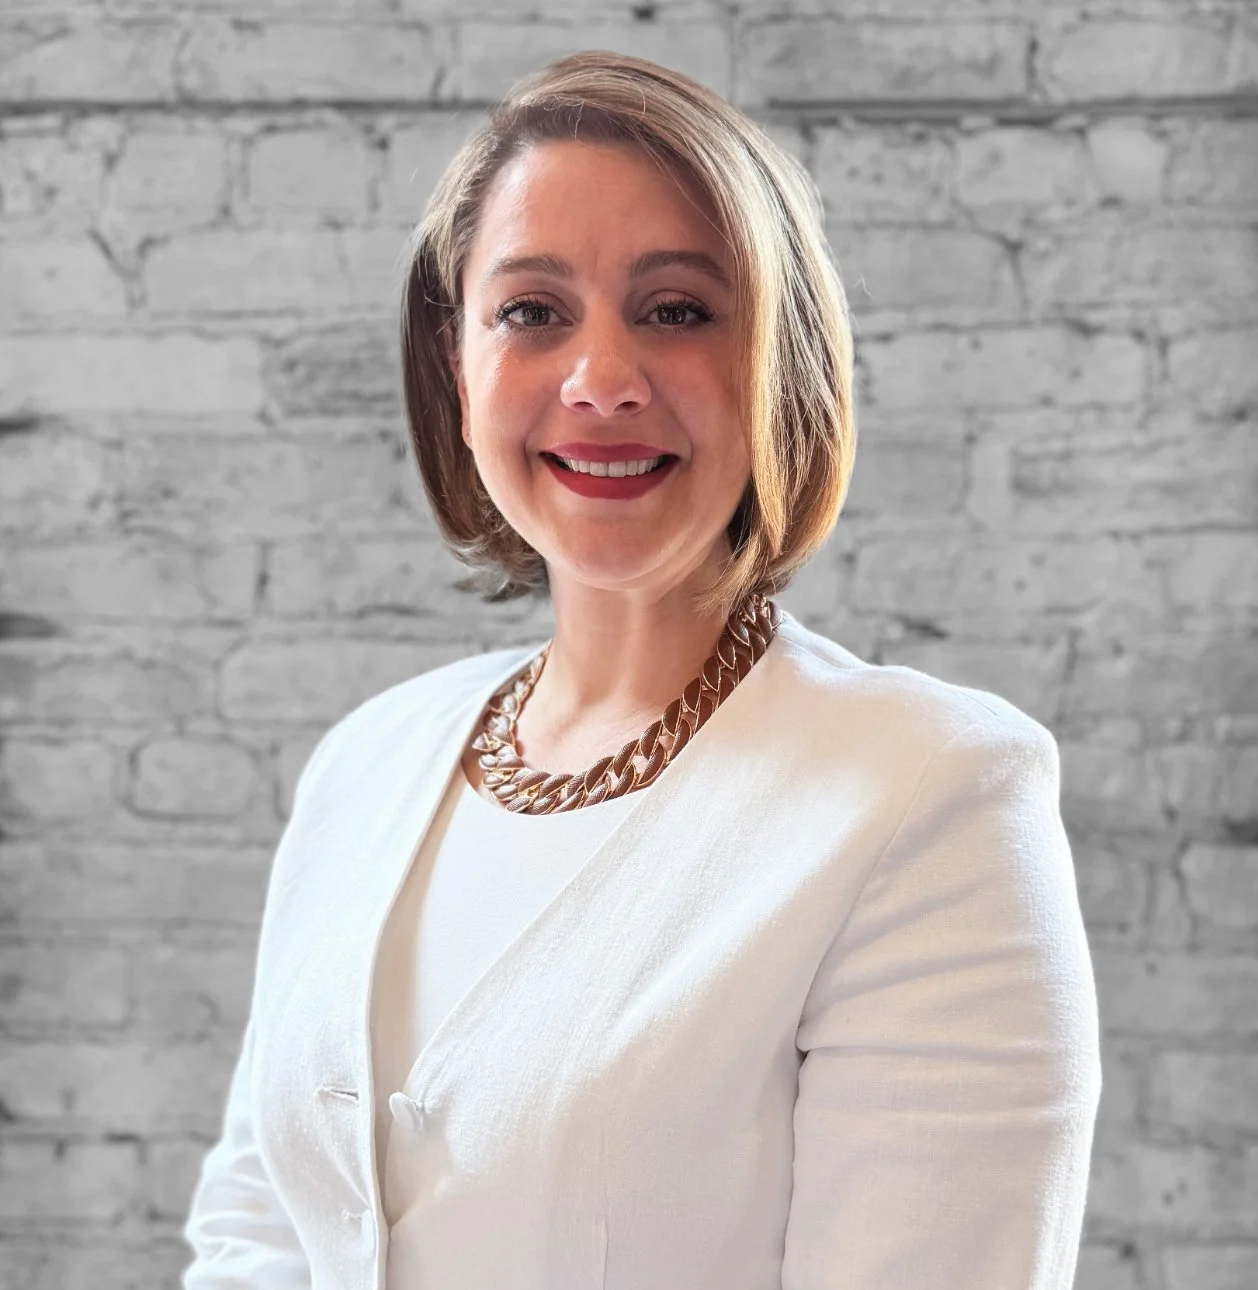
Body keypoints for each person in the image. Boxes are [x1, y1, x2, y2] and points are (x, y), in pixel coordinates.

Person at [180, 50, 1102, 1290]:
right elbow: (257, 1237)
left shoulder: (930, 794)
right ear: (458, 366)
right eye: (531, 311)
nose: (601, 380)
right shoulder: (367, 764)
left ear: (777, 364)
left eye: (676, 310)